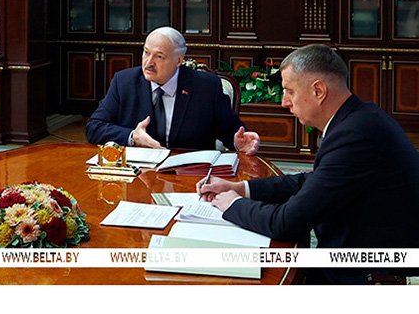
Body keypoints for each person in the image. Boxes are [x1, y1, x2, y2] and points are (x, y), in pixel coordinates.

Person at [198, 44, 419, 284]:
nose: (284, 102)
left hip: (367, 276)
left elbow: (286, 223)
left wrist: (233, 204)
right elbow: (315, 180)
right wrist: (242, 188)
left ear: (318, 91)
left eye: (289, 91)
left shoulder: (356, 135)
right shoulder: (358, 119)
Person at [85, 26, 260, 154]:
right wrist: (132, 137)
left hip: (190, 174)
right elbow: (95, 127)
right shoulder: (124, 82)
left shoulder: (206, 86)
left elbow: (229, 128)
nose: (148, 62)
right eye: (146, 52)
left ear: (178, 61)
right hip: (137, 173)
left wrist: (238, 142)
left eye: (159, 56)